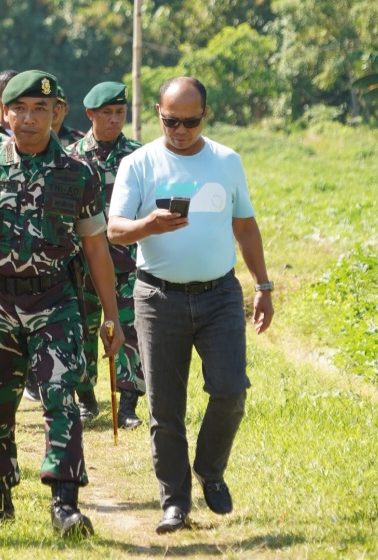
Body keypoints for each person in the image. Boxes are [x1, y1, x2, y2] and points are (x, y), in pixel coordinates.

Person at [0, 70, 125, 537]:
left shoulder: (79, 172)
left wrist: (112, 314)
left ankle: (64, 503)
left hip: (56, 301)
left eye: (41, 109)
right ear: (3, 113)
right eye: (19, 109)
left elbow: (96, 248)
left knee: (61, 398)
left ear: (58, 113)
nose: (30, 118)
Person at [107, 76, 273, 534]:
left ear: (206, 115)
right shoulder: (138, 163)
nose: (180, 130)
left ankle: (209, 470)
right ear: (157, 114)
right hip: (158, 298)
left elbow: (245, 227)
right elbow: (115, 230)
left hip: (220, 295)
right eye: (170, 121)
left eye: (190, 121)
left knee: (230, 390)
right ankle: (175, 503)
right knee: (165, 409)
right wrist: (149, 225)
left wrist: (263, 285)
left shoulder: (226, 160)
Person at [66, 81, 144, 429]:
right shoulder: (70, 157)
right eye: (106, 113)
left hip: (127, 261)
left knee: (129, 327)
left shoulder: (139, 156)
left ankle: (127, 403)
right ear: (90, 114)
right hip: (82, 262)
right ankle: (85, 397)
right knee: (81, 329)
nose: (114, 119)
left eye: (119, 113)